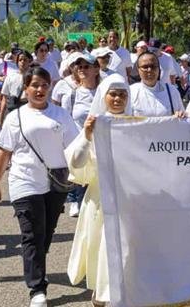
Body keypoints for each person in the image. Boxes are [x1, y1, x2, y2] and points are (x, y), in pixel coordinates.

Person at [0, 67, 80, 307]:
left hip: (56, 183)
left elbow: (75, 147)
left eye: (44, 85)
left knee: (46, 233)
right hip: (24, 181)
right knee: (32, 235)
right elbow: (3, 151)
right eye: (35, 85)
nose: (40, 90)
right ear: (26, 88)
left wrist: (82, 172)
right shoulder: (15, 117)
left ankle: (37, 264)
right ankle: (37, 289)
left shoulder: (61, 115)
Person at [65, 73, 132, 306]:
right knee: (102, 247)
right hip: (101, 198)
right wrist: (87, 134)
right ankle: (102, 295)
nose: (117, 99)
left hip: (129, 199)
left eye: (122, 94)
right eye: (113, 94)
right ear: (104, 96)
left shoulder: (137, 125)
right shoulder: (95, 125)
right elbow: (76, 162)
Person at [62, 52, 102, 218]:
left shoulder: (104, 92)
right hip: (79, 143)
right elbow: (64, 121)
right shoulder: (72, 95)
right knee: (79, 176)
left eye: (87, 66)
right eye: (79, 66)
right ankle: (74, 200)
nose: (82, 69)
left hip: (100, 145)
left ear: (96, 69)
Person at [130, 51, 184, 117]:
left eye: (153, 66)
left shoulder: (172, 91)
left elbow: (182, 116)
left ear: (159, 69)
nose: (149, 70)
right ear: (138, 70)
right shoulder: (131, 92)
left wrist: (181, 115)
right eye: (145, 67)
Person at [0, 50, 34, 126]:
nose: (22, 62)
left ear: (29, 61)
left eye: (25, 60)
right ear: (17, 62)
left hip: (28, 115)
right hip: (12, 113)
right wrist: (1, 120)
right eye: (20, 60)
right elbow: (4, 99)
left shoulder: (34, 77)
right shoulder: (10, 77)